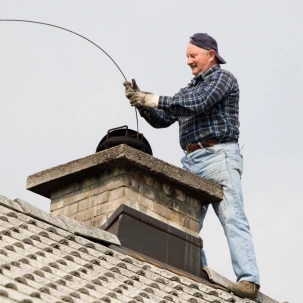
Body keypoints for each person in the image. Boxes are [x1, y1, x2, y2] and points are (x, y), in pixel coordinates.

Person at [123, 33, 260, 299]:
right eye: (187, 56)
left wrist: (151, 98)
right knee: (184, 222)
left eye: (192, 55)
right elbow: (163, 118)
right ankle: (200, 271)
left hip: (219, 156)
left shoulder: (223, 78)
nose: (188, 61)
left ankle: (249, 281)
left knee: (232, 217)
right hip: (192, 161)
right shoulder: (187, 90)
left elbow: (197, 105)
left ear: (210, 54)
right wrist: (141, 103)